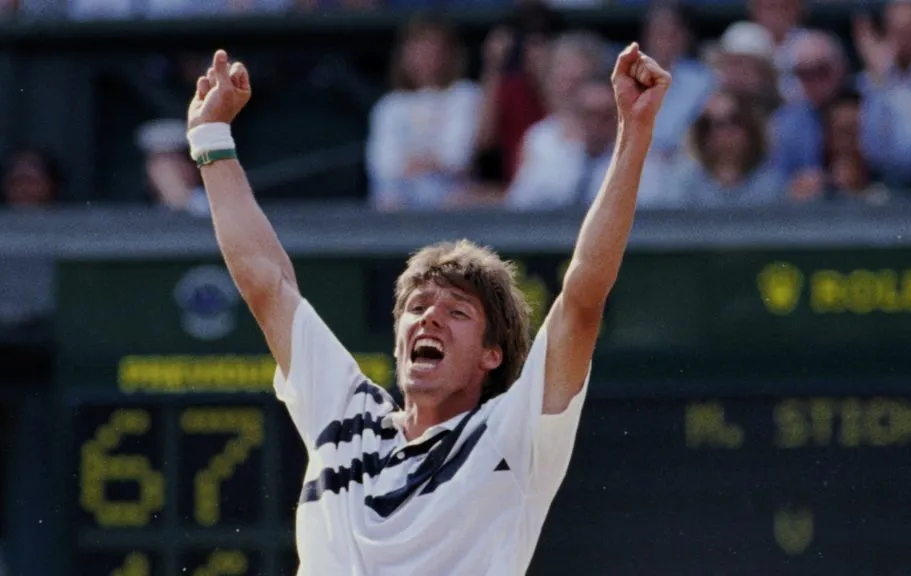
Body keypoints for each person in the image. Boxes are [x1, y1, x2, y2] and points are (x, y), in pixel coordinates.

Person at [185, 44, 670, 575]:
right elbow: (268, 283)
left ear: (492, 355)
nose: (429, 318)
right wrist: (211, 140)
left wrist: (633, 135)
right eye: (417, 307)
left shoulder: (513, 434)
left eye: (457, 312)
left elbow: (582, 297)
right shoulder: (346, 414)